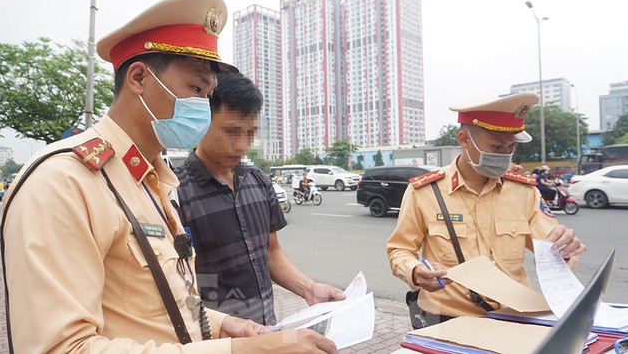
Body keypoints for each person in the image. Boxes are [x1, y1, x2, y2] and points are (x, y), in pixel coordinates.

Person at [1, 0, 337, 353]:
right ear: (139, 78)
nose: (202, 109)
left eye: (208, 96)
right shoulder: (64, 182)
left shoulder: (152, 181)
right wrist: (241, 351)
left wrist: (226, 325)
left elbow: (160, 310)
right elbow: (62, 348)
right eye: (195, 88)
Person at [387, 92, 586, 323]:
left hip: (513, 317)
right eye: (497, 146)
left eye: (511, 148)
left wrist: (564, 251)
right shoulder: (424, 192)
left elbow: (552, 248)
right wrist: (414, 271)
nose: (505, 155)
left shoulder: (524, 192)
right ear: (464, 139)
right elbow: (399, 249)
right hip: (446, 319)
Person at [175, 73, 345, 326]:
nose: (242, 144)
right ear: (203, 123)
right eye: (231, 132)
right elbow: (175, 284)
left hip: (266, 329)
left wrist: (309, 289)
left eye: (251, 132)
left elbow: (270, 252)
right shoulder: (175, 192)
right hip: (214, 339)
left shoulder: (259, 182)